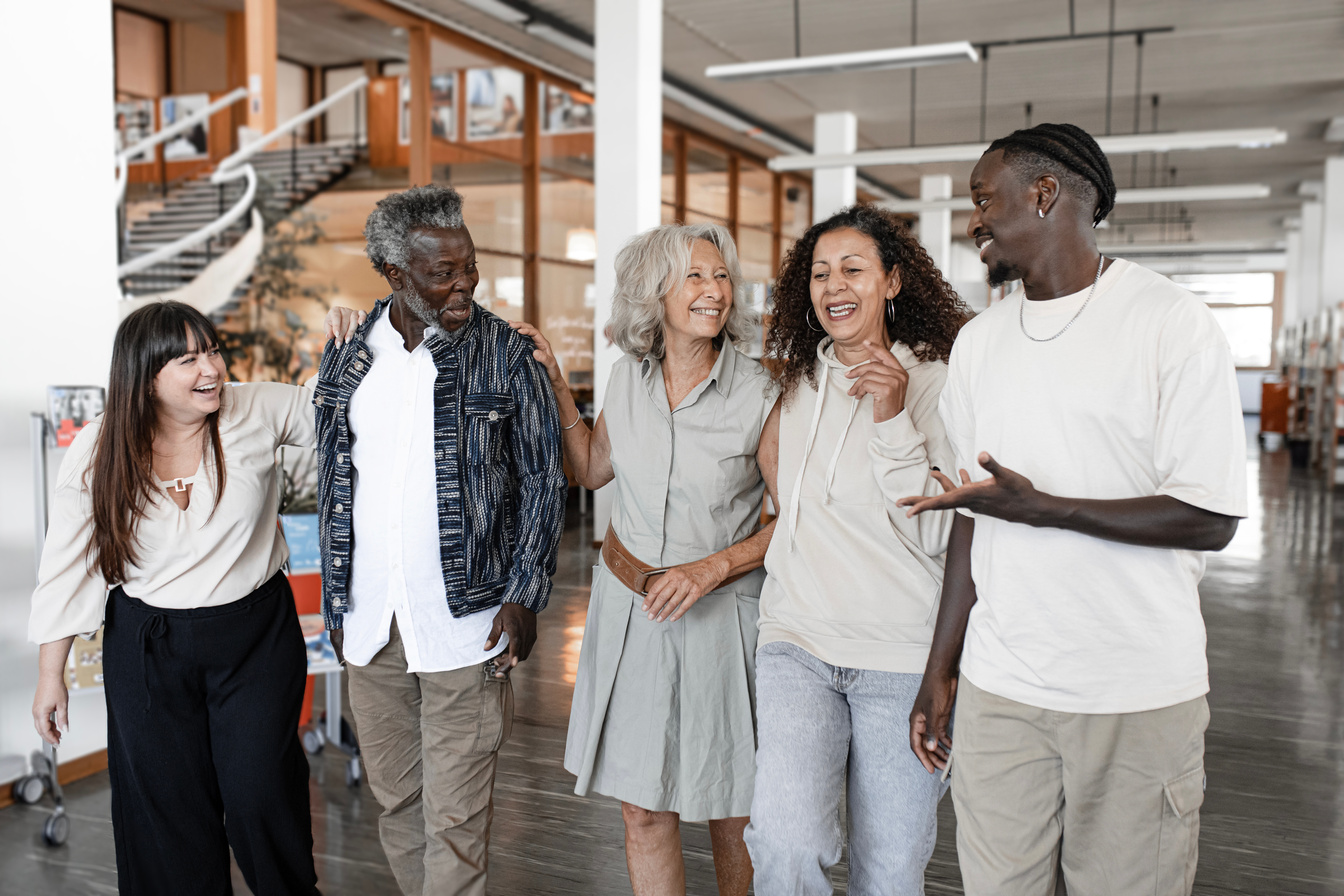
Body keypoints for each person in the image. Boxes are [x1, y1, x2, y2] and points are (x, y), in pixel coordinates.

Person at [901, 123, 1247, 896]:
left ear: (1045, 193)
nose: (973, 222)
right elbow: (973, 511)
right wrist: (941, 668)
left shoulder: (1170, 323)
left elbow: (1210, 517)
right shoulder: (980, 344)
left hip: (1134, 693)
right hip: (1002, 688)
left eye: (983, 199)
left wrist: (1049, 509)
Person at [510, 223, 780, 896]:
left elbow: (796, 519)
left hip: (724, 620)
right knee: (642, 807)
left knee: (730, 806)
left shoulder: (761, 390)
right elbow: (593, 469)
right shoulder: (626, 379)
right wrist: (554, 387)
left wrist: (710, 569)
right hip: (629, 617)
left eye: (721, 277)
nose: (715, 291)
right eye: (696, 276)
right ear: (652, 290)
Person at [315, 184, 567, 896]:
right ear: (395, 275)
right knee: (397, 802)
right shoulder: (348, 354)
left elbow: (545, 479)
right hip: (370, 625)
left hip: (469, 623)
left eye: (469, 266)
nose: (463, 284)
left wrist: (526, 594)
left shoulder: (505, 354)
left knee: (455, 817)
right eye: (441, 273)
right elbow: (335, 481)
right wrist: (340, 606)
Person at [29, 301, 321, 896]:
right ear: (146, 376)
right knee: (165, 810)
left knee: (260, 790)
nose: (210, 368)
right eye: (188, 359)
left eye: (211, 350)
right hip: (147, 645)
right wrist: (50, 673)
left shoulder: (255, 408)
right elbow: (68, 563)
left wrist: (358, 336)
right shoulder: (99, 447)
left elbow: (341, 407)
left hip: (254, 637)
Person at [744, 205, 969, 895]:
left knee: (891, 871)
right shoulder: (797, 385)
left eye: (853, 269)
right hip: (796, 642)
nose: (834, 285)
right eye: (819, 273)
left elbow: (938, 533)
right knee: (784, 844)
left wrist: (893, 417)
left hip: (900, 658)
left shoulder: (935, 385)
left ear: (893, 282)